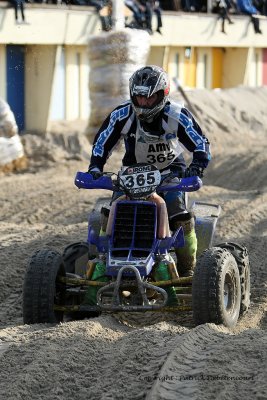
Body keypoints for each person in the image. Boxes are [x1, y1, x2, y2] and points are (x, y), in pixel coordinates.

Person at [86, 65, 211, 305]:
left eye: (149, 97)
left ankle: (187, 270)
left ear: (162, 94)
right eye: (139, 97)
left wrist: (197, 167)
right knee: (112, 212)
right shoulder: (122, 114)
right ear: (133, 95)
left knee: (178, 213)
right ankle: (103, 263)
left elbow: (200, 143)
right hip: (132, 172)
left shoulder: (177, 114)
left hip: (169, 172)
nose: (143, 103)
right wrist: (95, 167)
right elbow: (102, 143)